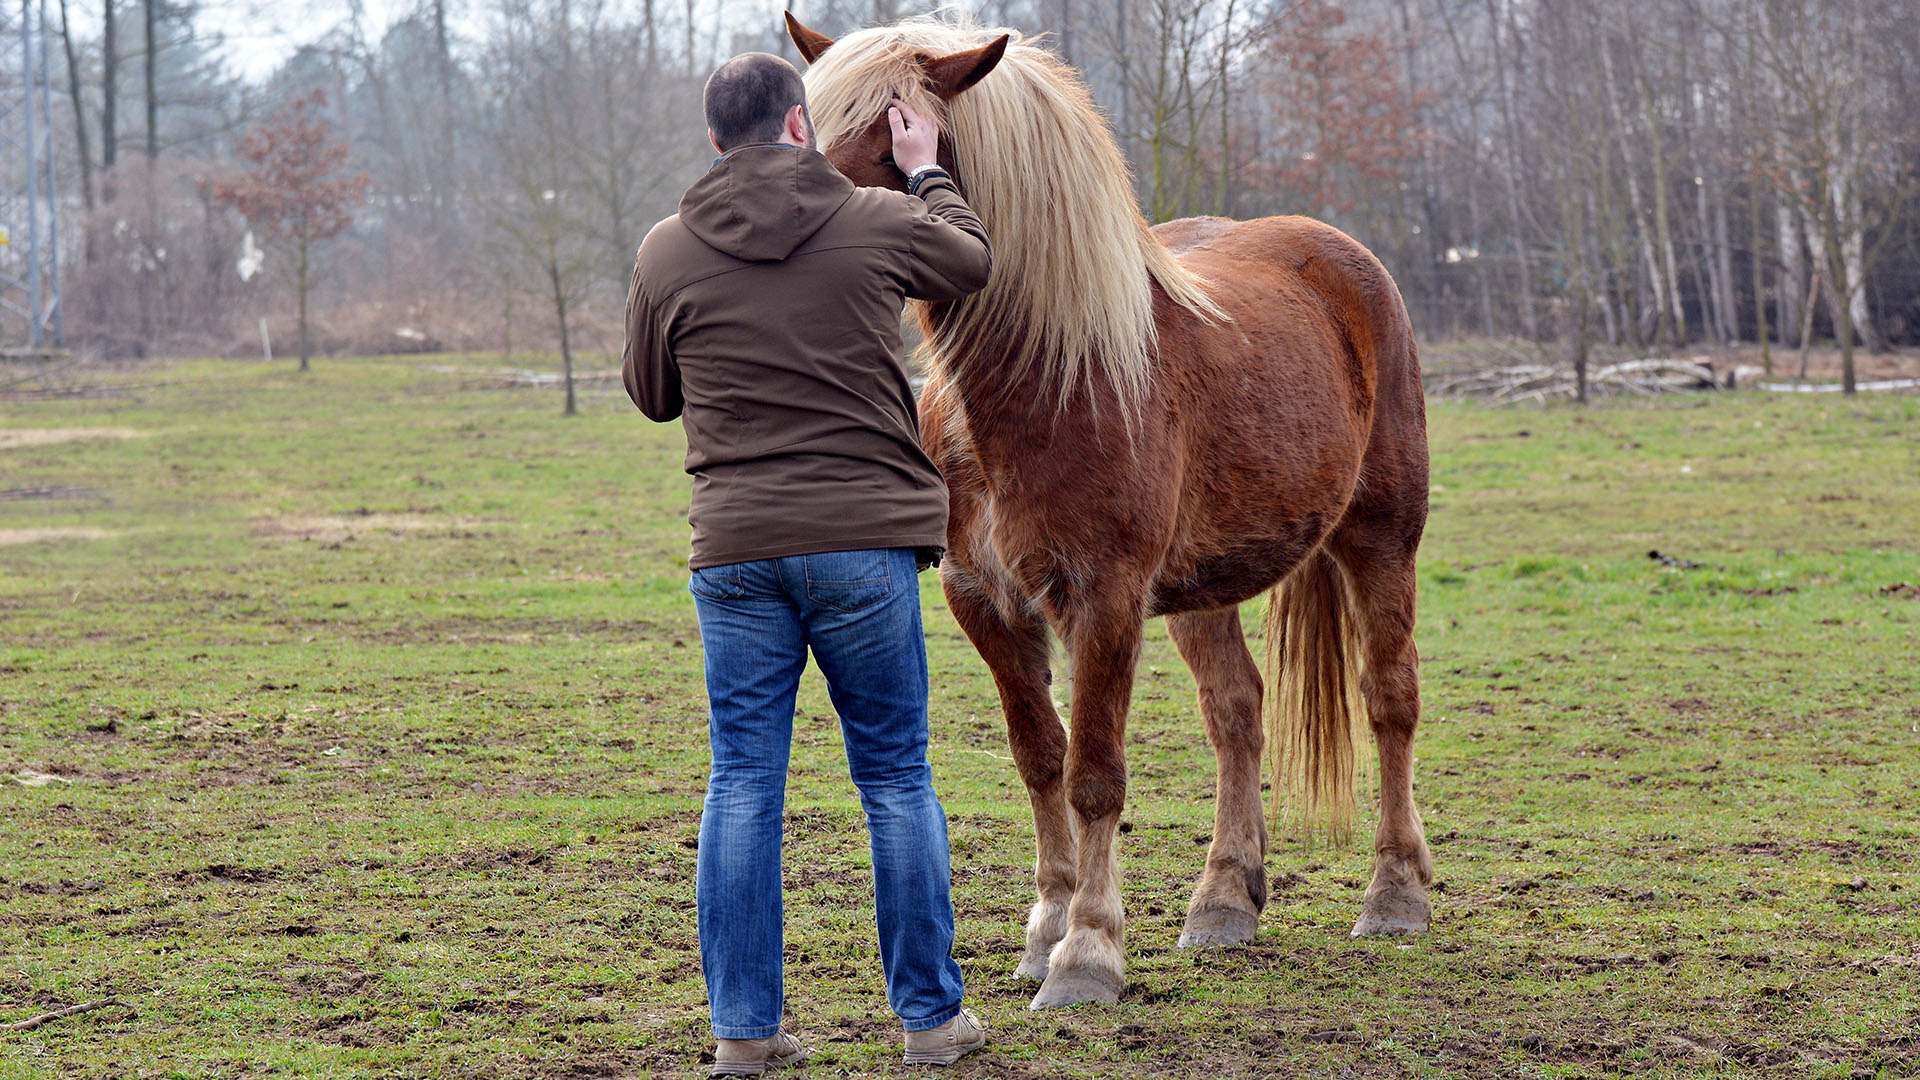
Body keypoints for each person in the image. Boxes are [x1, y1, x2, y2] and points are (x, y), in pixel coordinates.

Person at [622, 52, 993, 1075]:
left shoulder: (665, 250)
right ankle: (929, 1023)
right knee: (895, 779)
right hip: (863, 547)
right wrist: (924, 170)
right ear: (799, 124)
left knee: (742, 784)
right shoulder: (873, 222)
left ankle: (745, 1035)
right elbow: (972, 263)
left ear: (711, 142)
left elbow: (652, 395)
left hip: (736, 551)